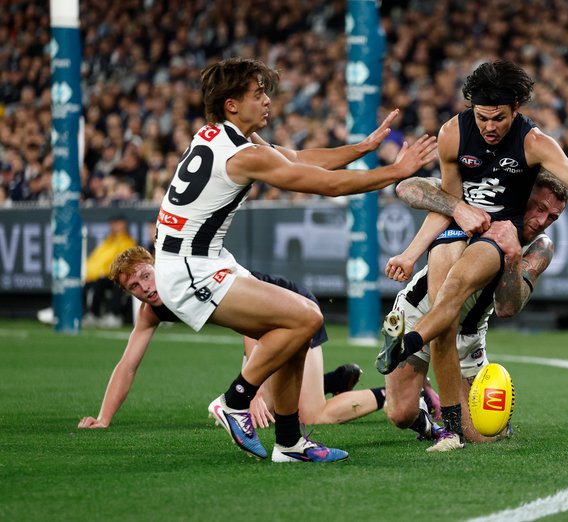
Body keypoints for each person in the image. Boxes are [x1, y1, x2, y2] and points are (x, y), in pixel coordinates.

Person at [378, 60, 568, 452]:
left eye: (498, 118)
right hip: (443, 270)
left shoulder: (534, 152)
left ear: (516, 108)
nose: (490, 126)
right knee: (400, 412)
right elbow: (425, 192)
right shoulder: (455, 136)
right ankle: (431, 397)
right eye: (483, 118)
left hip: (480, 297)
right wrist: (437, 229)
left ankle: (429, 377)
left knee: (483, 433)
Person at [152, 57, 436, 462]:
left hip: (195, 260)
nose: (267, 101)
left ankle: (289, 443)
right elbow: (328, 185)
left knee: (296, 326)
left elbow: (299, 159)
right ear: (232, 104)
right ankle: (236, 402)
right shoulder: (245, 153)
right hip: (189, 267)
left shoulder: (218, 136)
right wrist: (396, 171)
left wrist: (363, 148)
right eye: (257, 94)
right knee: (307, 317)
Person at [77, 246, 386, 430]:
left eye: (145, 275)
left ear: (157, 265)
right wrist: (104, 418)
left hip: (292, 307)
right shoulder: (150, 310)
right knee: (274, 407)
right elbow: (127, 365)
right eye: (134, 286)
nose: (144, 287)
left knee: (311, 415)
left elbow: (254, 328)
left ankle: (398, 394)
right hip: (266, 325)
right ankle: (332, 381)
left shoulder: (185, 282)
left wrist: (250, 392)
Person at [382, 173, 568, 446]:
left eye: (552, 217)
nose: (541, 222)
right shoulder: (481, 204)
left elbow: (507, 307)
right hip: (417, 313)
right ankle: (431, 416)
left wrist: (514, 256)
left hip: (467, 335)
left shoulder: (540, 247)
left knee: (482, 436)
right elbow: (407, 187)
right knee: (400, 414)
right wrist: (456, 207)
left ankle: (456, 410)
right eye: (539, 208)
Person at [83, 214, 137, 328]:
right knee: (97, 283)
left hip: (122, 276)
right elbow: (96, 260)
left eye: (117, 223)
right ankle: (93, 315)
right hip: (106, 276)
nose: (114, 226)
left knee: (118, 283)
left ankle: (114, 315)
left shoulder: (128, 242)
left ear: (123, 225)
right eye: (113, 223)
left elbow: (122, 263)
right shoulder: (107, 242)